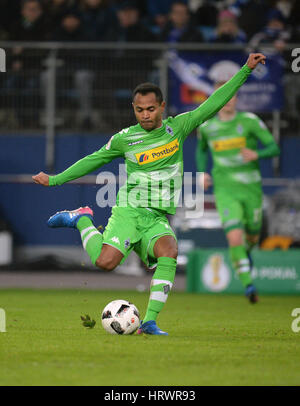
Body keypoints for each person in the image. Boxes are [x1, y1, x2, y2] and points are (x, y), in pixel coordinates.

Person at [32, 53, 266, 335]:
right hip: (130, 210)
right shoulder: (125, 139)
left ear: (162, 107)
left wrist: (246, 70)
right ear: (134, 108)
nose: (145, 115)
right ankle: (82, 219)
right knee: (106, 263)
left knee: (169, 250)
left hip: (156, 215)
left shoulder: (178, 127)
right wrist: (56, 179)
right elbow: (93, 160)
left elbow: (215, 102)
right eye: (140, 110)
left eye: (151, 109)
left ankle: (150, 321)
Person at [195, 79, 280, 303]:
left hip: (251, 189)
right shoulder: (207, 127)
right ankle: (248, 285)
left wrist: (257, 155)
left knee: (251, 236)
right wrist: (203, 173)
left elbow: (273, 147)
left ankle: (247, 252)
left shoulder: (250, 122)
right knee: (234, 237)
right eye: (222, 96)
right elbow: (201, 151)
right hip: (225, 191)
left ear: (236, 98)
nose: (227, 100)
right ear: (214, 100)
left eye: (231, 95)